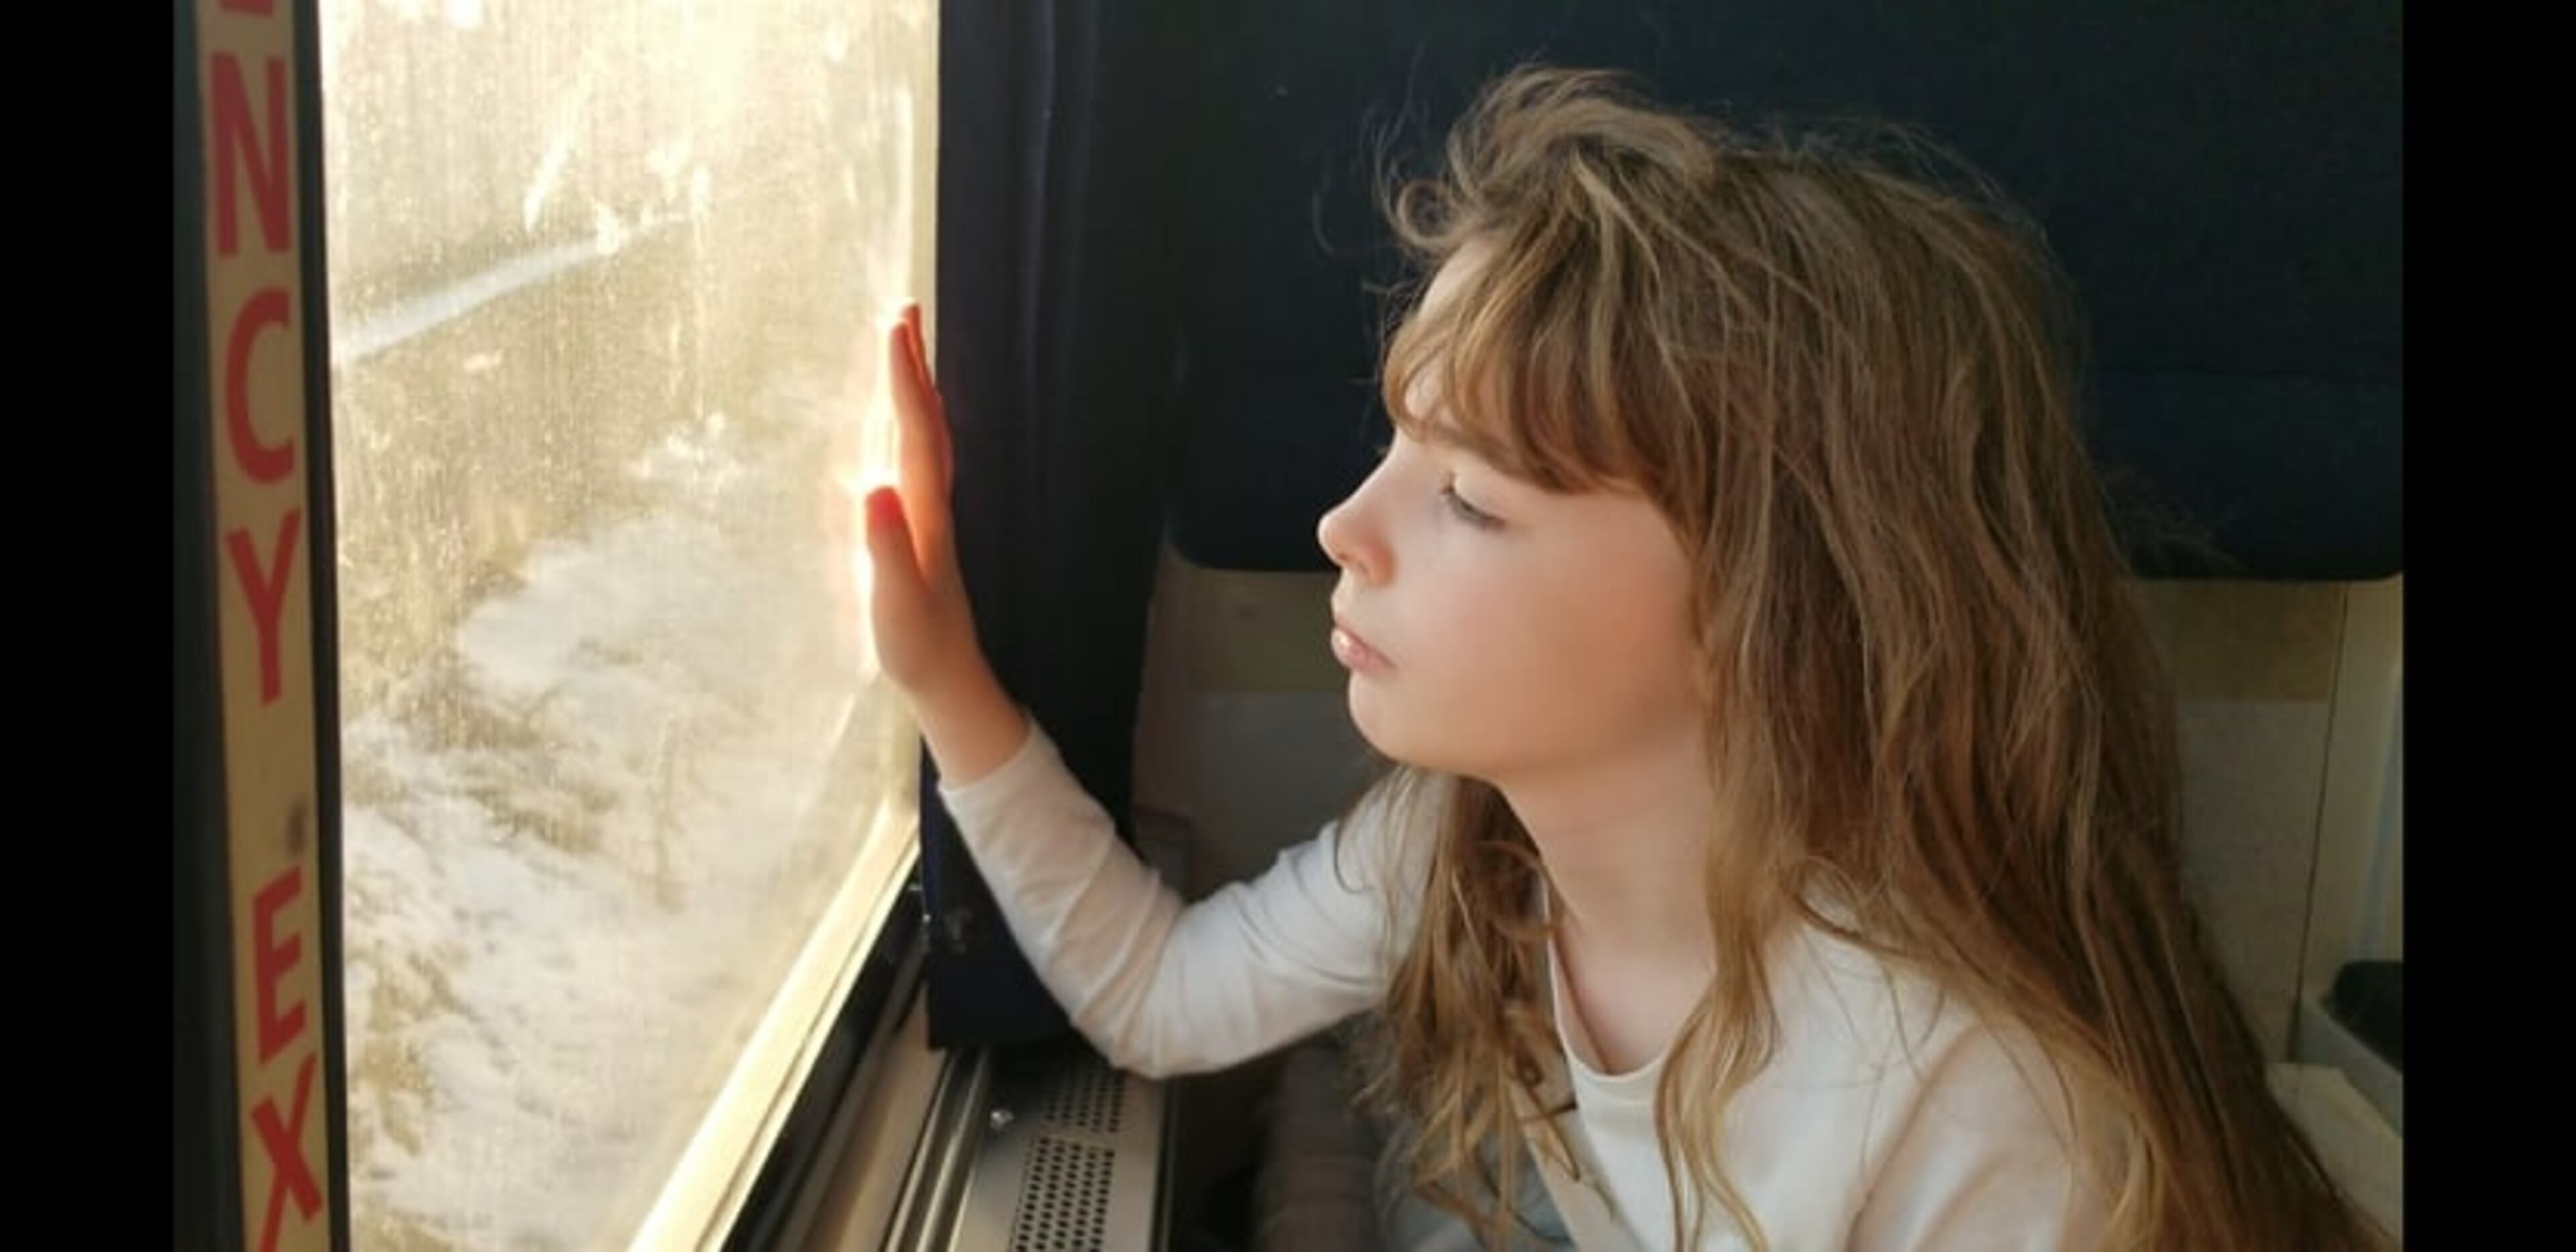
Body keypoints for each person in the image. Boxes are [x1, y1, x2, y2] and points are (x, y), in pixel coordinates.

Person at [860, 64, 2381, 1251]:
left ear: (1760, 612)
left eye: (1469, 497)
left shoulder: (1977, 1112)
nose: (1343, 527)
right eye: (1396, 444)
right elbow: (1162, 997)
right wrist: (944, 679)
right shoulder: (1464, 848)